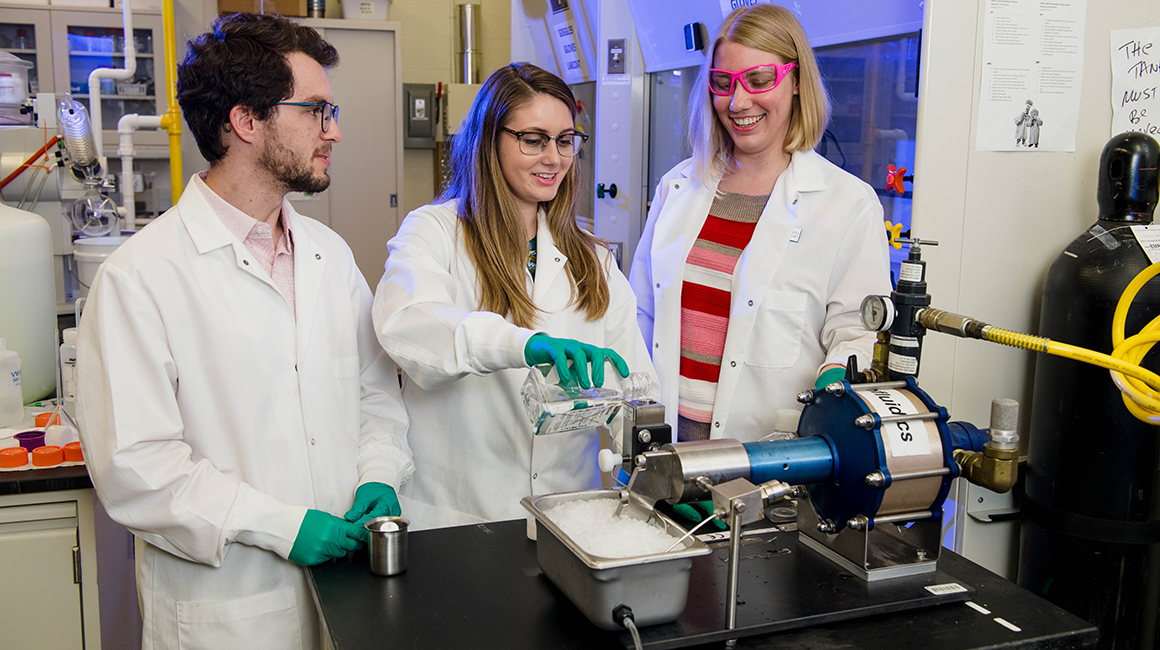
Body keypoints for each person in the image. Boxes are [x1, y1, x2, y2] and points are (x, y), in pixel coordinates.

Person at [75, 13, 413, 649]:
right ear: (246, 121)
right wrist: (279, 525)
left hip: (346, 595)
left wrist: (380, 472)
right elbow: (137, 469)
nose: (334, 131)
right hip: (227, 612)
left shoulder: (328, 254)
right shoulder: (140, 277)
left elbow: (376, 394)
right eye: (316, 111)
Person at [373, 63, 656, 530]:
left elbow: (637, 388)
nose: (554, 158)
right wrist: (523, 345)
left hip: (571, 516)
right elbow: (408, 323)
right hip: (458, 514)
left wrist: (660, 471)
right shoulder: (435, 232)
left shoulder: (594, 259)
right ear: (490, 140)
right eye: (533, 139)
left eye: (565, 140)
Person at [630, 4, 891, 444]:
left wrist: (834, 380)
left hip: (771, 460)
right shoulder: (679, 186)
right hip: (664, 448)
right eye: (722, 83)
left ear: (796, 82)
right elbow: (638, 313)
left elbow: (855, 333)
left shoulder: (847, 204)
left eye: (758, 80)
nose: (738, 102)